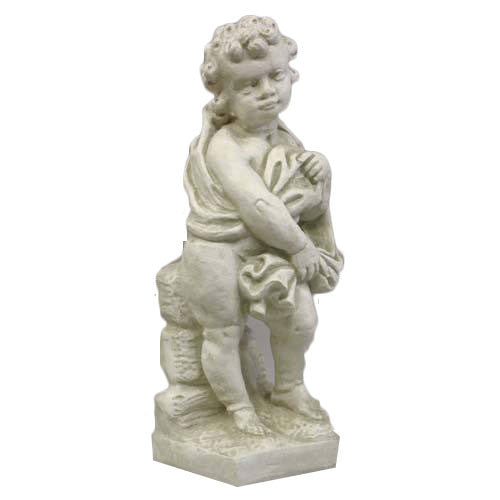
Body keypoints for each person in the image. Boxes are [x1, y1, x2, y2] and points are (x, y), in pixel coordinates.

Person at [180, 16, 343, 435]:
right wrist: (300, 247)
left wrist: (320, 168)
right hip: (219, 247)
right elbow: (258, 204)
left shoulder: (283, 138)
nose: (268, 91)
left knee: (302, 319)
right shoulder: (225, 146)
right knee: (223, 331)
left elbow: (300, 192)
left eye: (276, 76)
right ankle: (237, 406)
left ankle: (288, 387)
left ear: (291, 73)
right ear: (225, 98)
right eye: (249, 85)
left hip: (271, 246)